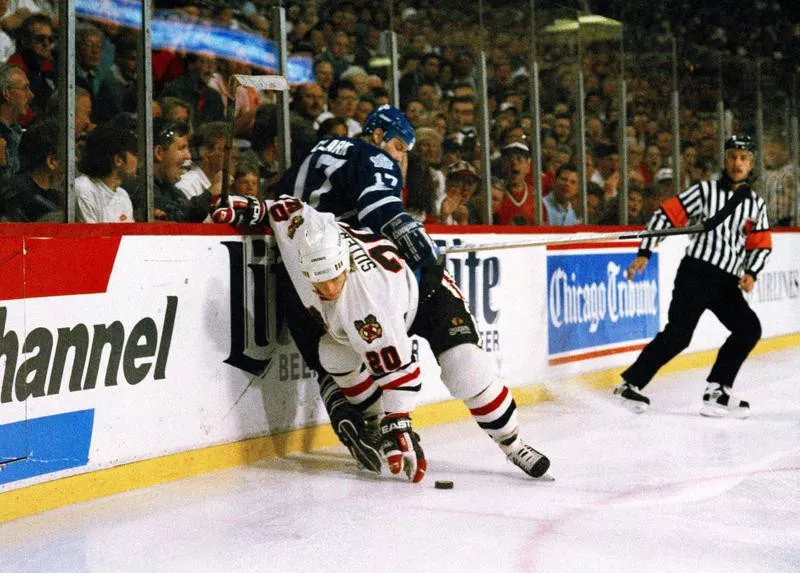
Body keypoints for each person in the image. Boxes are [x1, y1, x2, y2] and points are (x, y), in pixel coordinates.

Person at [215, 105, 551, 479]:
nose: (401, 158)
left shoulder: (315, 180)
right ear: (376, 135)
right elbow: (379, 207)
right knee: (337, 353)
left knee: (461, 369)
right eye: (398, 147)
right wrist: (418, 245)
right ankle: (374, 420)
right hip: (369, 268)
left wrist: (248, 207)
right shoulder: (371, 159)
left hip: (378, 278)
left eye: (405, 151)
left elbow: (286, 207)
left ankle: (511, 442)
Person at [613, 135, 772, 418]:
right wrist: (645, 252)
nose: (737, 162)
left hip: (726, 281)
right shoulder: (705, 190)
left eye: (744, 158)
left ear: (751, 165)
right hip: (696, 273)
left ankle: (717, 391)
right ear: (724, 160)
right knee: (679, 335)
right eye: (733, 156)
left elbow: (759, 242)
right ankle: (629, 384)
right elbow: (665, 216)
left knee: (749, 329)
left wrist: (751, 272)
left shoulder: (755, 204)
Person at [75, 123, 138, 223]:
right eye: (135, 154)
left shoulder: (123, 196)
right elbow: (90, 237)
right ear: (118, 160)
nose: (139, 160)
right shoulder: (83, 189)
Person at [0, 117, 60, 221]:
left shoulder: (57, 197)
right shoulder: (16, 196)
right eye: (71, 155)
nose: (76, 159)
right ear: (51, 161)